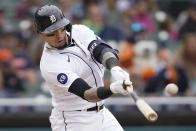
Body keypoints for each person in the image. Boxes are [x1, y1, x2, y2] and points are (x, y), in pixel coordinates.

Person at [34, 5, 133, 131]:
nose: (59, 36)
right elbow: (88, 94)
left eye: (61, 29)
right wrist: (113, 89)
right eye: (52, 33)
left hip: (102, 113)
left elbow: (101, 49)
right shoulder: (51, 64)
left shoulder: (79, 31)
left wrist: (113, 67)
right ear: (41, 34)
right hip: (74, 120)